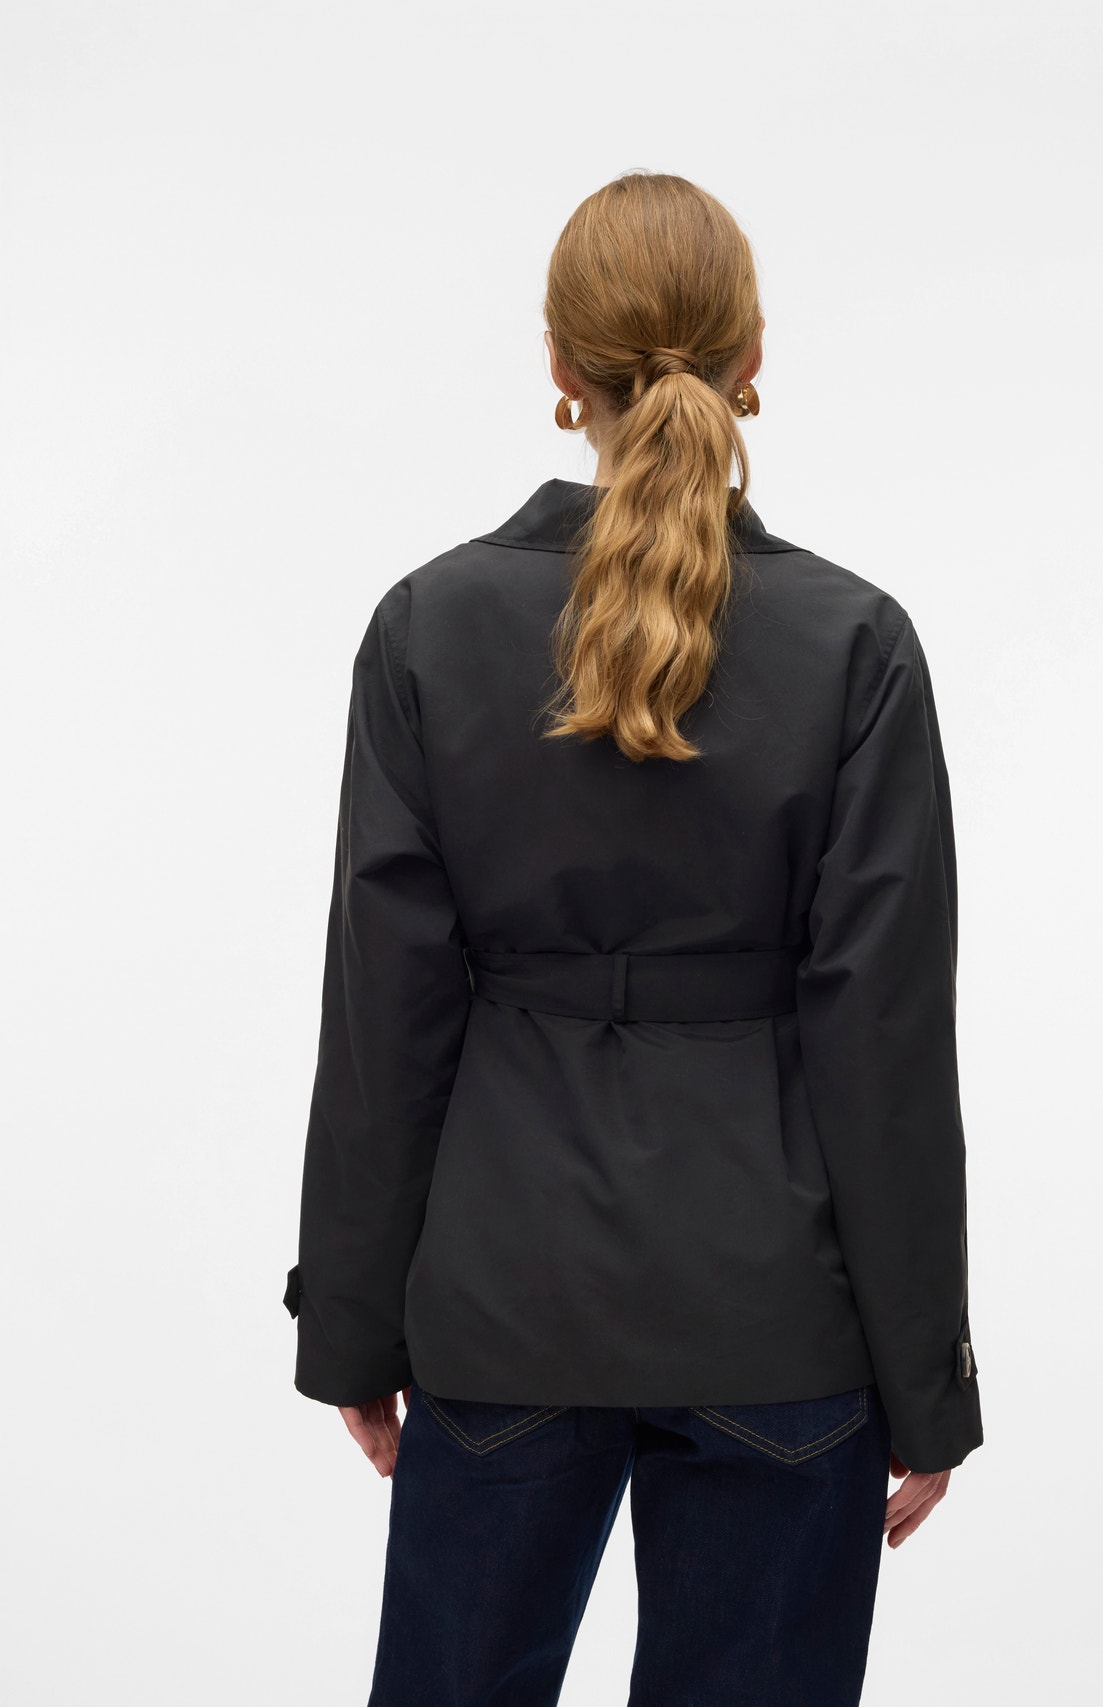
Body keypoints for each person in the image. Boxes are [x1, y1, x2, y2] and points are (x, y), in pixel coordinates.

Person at [284, 169, 984, 1707]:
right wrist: (927, 1383)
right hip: (779, 1322)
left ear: (558, 366)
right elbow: (884, 1047)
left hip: (502, 1307)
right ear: (752, 360)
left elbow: (386, 1016)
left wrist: (350, 1328)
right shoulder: (855, 646)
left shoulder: (428, 627)